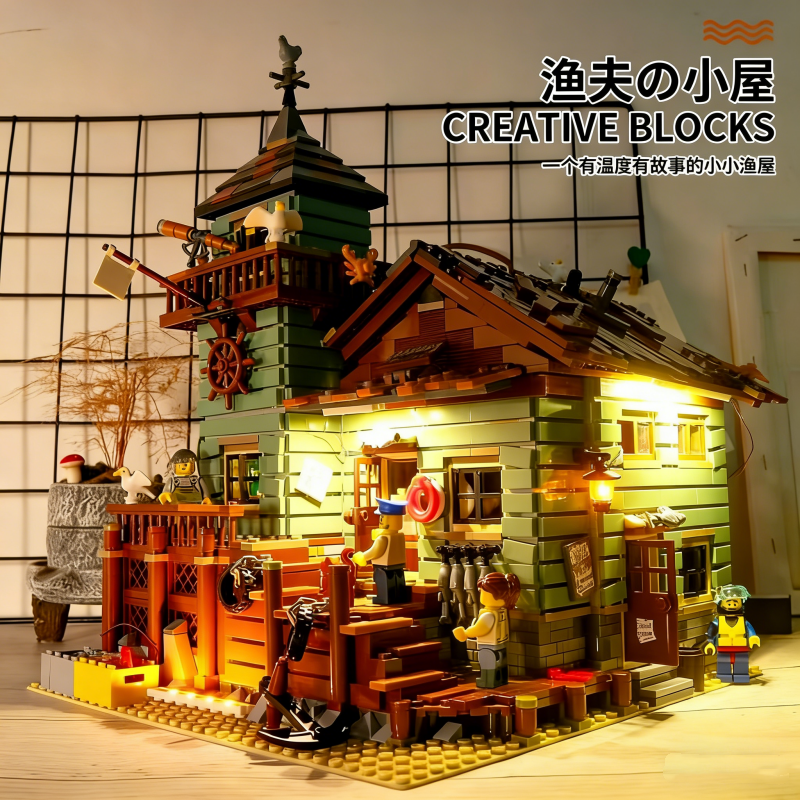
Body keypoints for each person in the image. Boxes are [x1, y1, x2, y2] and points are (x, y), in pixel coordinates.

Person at [453, 571, 520, 688]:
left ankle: (487, 681)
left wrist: (466, 633)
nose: (480, 593)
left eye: (482, 592)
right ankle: (502, 679)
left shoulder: (488, 615)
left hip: (488, 646)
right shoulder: (501, 611)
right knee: (501, 665)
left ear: (493, 594)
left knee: (487, 665)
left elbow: (480, 629)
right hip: (501, 644)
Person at [353, 496, 408, 605]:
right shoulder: (399, 536)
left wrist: (362, 556)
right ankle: (398, 597)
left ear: (389, 520)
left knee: (382, 582)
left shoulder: (382, 538)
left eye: (382, 518)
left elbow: (375, 551)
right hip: (398, 567)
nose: (380, 521)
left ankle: (384, 598)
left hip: (383, 568)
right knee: (398, 582)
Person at [704, 584, 760, 683]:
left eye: (735, 602)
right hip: (723, 647)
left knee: (741, 664)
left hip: (741, 647)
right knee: (723, 665)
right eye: (729, 603)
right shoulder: (717, 622)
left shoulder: (743, 621)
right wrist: (710, 642)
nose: (732, 605)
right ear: (721, 604)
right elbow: (711, 633)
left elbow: (750, 629)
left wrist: (753, 637)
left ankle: (741, 676)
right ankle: (724, 676)